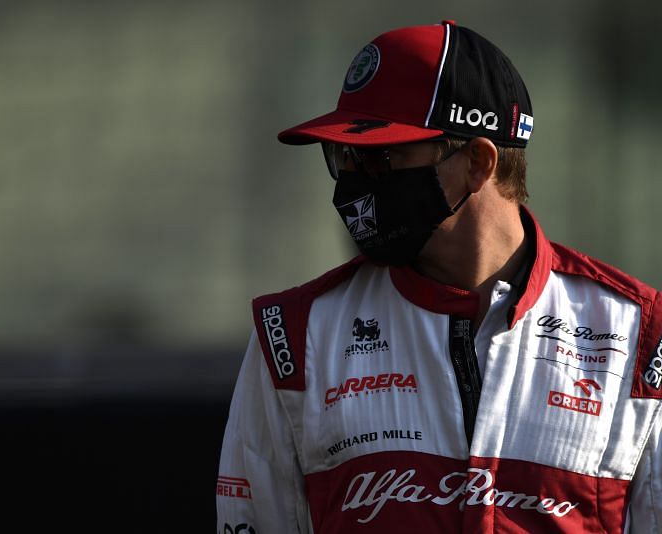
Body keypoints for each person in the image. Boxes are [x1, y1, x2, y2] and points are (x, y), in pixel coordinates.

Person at [216, 20, 662, 533]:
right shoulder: (291, 336)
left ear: (477, 162)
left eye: (381, 158)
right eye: (343, 158)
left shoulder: (641, 336)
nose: (356, 183)